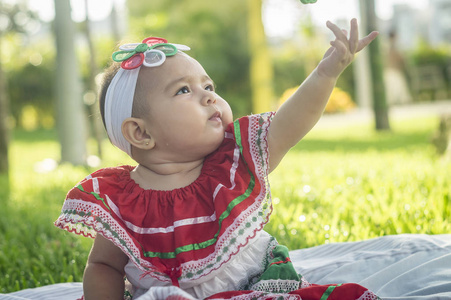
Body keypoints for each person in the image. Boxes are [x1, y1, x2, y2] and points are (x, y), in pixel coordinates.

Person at [55, 19, 378, 300]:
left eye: (208, 85)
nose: (209, 95)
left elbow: (289, 123)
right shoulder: (120, 200)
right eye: (184, 91)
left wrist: (326, 73)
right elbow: (103, 266)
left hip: (254, 288)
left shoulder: (233, 163)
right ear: (140, 134)